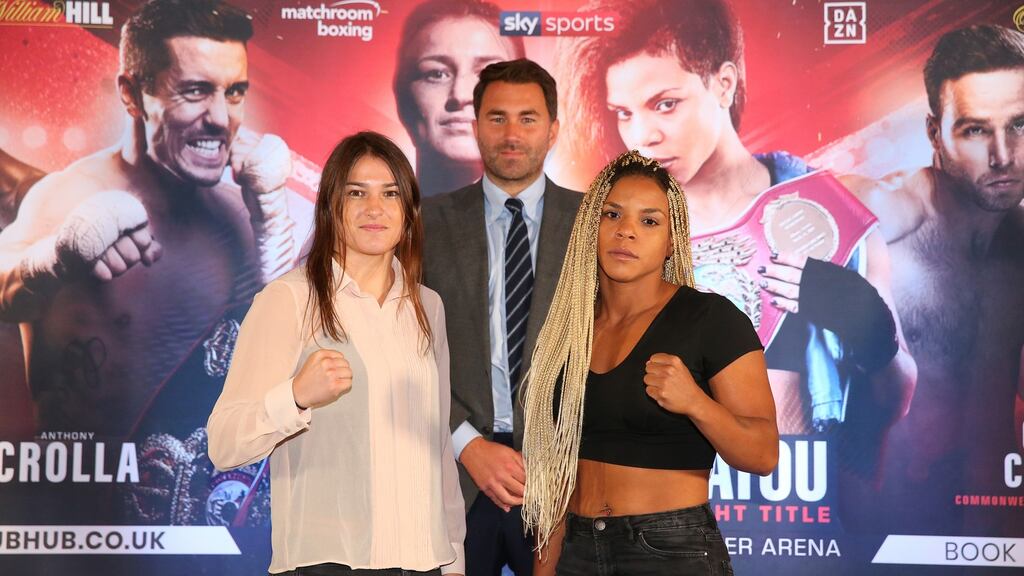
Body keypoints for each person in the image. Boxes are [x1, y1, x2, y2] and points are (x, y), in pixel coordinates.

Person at [555, 0, 916, 479]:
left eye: (666, 103)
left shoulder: (826, 213)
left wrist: (871, 334)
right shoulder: (613, 236)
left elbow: (895, 402)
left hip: (801, 513)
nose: (643, 135)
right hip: (664, 506)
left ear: (723, 84)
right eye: (624, 113)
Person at [0, 0, 298, 438]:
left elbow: (283, 363)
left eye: (234, 92)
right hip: (79, 497)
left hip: (200, 500)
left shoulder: (240, 215)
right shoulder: (69, 196)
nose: (221, 118)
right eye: (195, 91)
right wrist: (58, 257)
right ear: (132, 94)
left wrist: (272, 216)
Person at [208, 131, 465, 575]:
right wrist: (295, 396)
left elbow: (437, 445)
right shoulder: (288, 299)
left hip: (423, 561)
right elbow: (224, 444)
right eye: (356, 193)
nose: (374, 208)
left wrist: (454, 560)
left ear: (409, 210)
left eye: (390, 194)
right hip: (328, 560)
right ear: (331, 205)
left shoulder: (428, 307)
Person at [522, 150, 778, 575]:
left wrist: (696, 402)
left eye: (649, 221)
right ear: (591, 227)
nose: (626, 232)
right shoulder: (569, 329)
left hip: (668, 550)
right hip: (578, 550)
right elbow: (558, 476)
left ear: (672, 240)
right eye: (612, 215)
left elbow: (763, 454)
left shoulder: (709, 319)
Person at [844, 24, 1024, 533]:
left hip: (994, 545)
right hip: (879, 539)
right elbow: (815, 206)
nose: (1003, 156)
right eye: (974, 130)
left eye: (1019, 125)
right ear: (933, 134)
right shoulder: (896, 210)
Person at [422, 59, 581, 576]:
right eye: (497, 118)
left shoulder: (596, 226)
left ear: (554, 129)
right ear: (476, 126)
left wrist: (559, 454)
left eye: (528, 118)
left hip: (564, 483)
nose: (512, 134)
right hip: (453, 473)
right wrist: (464, 443)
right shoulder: (423, 225)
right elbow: (399, 349)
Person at [394, 0, 525, 197]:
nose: (461, 95)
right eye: (437, 74)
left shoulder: (566, 220)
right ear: (403, 100)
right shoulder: (374, 219)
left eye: (487, 74)